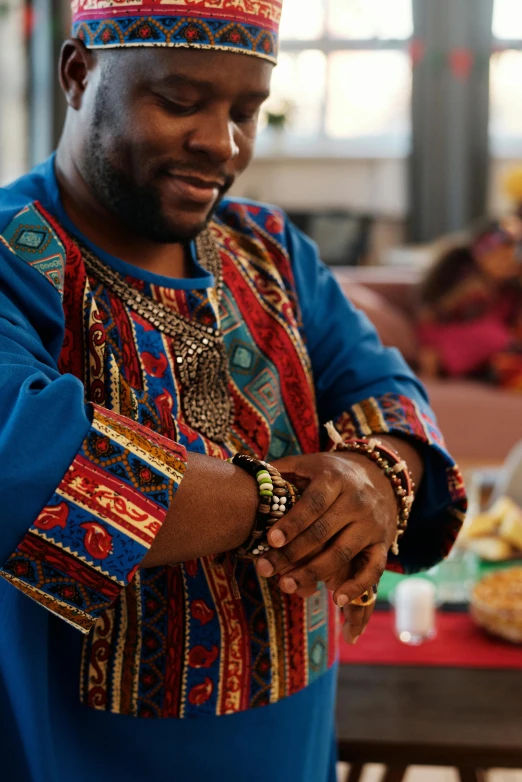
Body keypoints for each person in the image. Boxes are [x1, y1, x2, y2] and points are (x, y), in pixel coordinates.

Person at [0, 2, 466, 780]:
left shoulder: (271, 250)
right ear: (79, 74)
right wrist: (293, 502)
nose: (222, 143)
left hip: (291, 749)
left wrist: (378, 473)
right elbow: (29, 466)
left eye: (247, 111)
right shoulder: (16, 258)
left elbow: (384, 387)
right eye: (180, 101)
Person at [417, 220, 522, 390]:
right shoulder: (463, 280)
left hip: (494, 341)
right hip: (449, 333)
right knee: (495, 338)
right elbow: (436, 312)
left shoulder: (509, 289)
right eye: (501, 256)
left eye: (512, 256)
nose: (508, 262)